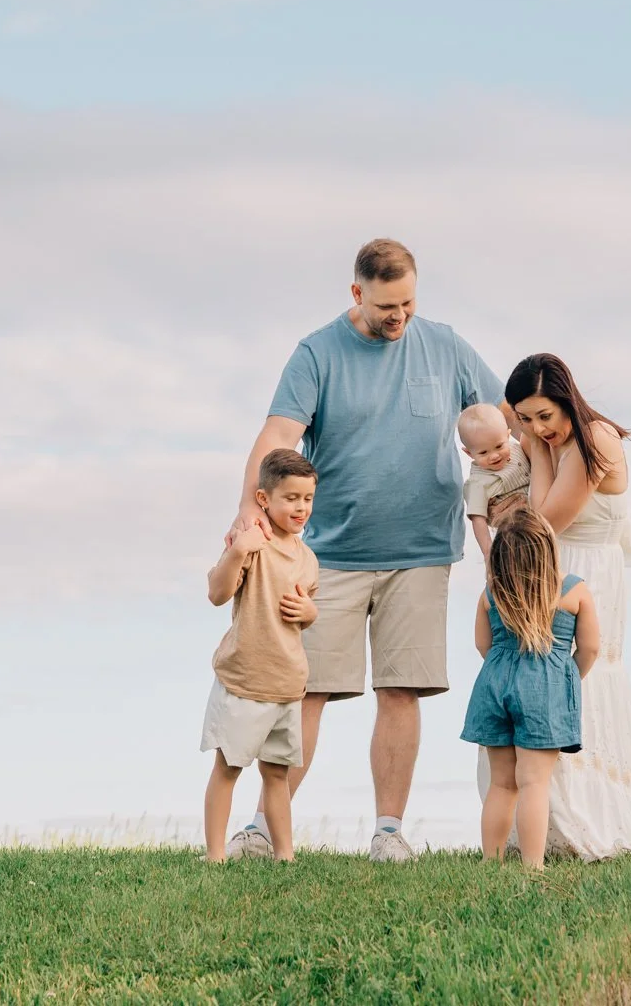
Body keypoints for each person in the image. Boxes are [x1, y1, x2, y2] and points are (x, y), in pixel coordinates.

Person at [225, 238, 503, 863]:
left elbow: (507, 413)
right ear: (357, 294)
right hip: (335, 553)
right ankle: (266, 829)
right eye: (385, 306)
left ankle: (388, 833)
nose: (398, 315)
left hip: (423, 551)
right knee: (306, 690)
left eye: (407, 302)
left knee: (402, 691)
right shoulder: (317, 353)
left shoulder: (447, 345)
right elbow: (278, 434)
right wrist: (250, 507)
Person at [480, 351, 631, 859]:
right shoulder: (538, 429)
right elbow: (499, 414)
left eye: (546, 415)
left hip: (584, 570)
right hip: (550, 567)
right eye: (527, 417)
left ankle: (582, 818)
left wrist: (535, 454)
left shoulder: (596, 441)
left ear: (568, 400)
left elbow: (544, 522)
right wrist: (518, 430)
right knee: (534, 676)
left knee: (582, 672)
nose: (539, 427)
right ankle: (534, 827)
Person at [202, 448, 321, 862]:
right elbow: (217, 594)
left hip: (287, 685)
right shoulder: (252, 541)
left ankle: (284, 855)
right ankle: (215, 855)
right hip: (245, 680)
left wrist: (311, 613)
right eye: (290, 498)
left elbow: (302, 614)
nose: (301, 507)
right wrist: (237, 551)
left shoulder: (307, 559)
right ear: (264, 499)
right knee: (229, 768)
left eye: (307, 498)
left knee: (277, 773)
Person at [462, 508, 599, 869]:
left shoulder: (490, 593)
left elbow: (482, 644)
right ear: (548, 549)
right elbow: (591, 648)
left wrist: (505, 673)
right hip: (546, 685)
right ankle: (532, 866)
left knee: (502, 784)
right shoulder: (573, 590)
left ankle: (491, 863)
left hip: (494, 684)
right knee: (535, 783)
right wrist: (568, 677)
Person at [459, 402, 530, 558]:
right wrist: (488, 552)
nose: (494, 455)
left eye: (499, 446)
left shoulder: (519, 448)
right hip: (514, 538)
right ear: (469, 453)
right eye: (483, 452)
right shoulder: (477, 483)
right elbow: (478, 519)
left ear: (507, 435)